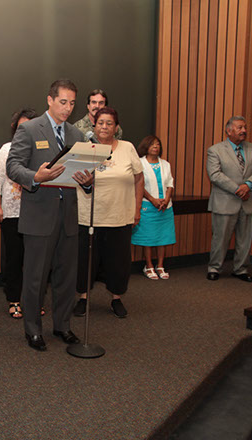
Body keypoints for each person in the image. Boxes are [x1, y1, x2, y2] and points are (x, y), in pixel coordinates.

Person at [6, 79, 94, 352]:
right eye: (63, 102)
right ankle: (33, 330)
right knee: (35, 278)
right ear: (50, 100)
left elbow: (83, 176)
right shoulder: (29, 129)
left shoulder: (76, 135)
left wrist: (88, 181)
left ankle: (63, 326)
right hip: (39, 217)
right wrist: (36, 176)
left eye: (71, 103)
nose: (67, 108)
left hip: (68, 216)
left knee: (67, 278)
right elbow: (13, 166)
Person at [73, 107, 144, 319]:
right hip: (89, 217)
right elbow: (73, 178)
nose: (104, 127)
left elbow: (139, 179)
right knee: (86, 261)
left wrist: (137, 209)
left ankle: (116, 298)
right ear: (94, 126)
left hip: (120, 216)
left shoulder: (127, 148)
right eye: (100, 122)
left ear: (116, 127)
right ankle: (83, 298)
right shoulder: (85, 149)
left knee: (118, 262)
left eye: (109, 123)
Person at [0, 108, 37, 319]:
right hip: (12, 212)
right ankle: (14, 300)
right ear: (14, 129)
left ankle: (33, 301)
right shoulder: (7, 150)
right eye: (20, 127)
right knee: (14, 258)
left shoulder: (41, 150)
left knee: (36, 260)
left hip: (37, 214)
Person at [206, 116, 252, 282]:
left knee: (245, 239)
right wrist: (238, 189)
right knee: (220, 238)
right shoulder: (215, 150)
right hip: (225, 201)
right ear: (229, 130)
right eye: (239, 128)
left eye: (245, 127)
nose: (244, 131)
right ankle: (214, 268)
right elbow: (215, 175)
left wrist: (248, 185)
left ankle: (241, 269)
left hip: (249, 201)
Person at [131, 135, 176, 280]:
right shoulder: (140, 163)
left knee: (163, 238)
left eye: (158, 144)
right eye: (152, 144)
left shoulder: (165, 164)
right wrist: (153, 200)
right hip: (147, 206)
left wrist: (166, 200)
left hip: (165, 207)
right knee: (148, 238)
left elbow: (170, 183)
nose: (156, 147)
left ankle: (160, 265)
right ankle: (149, 265)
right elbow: (139, 184)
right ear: (146, 147)